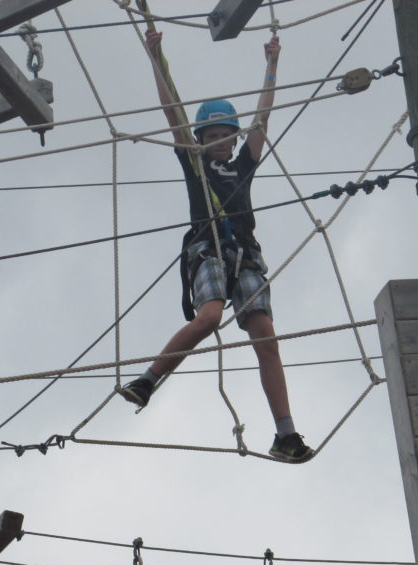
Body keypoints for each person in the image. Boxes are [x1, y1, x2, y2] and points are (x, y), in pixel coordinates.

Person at [119, 29, 314, 463]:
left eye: (228, 135)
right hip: (209, 249)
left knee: (265, 337)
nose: (224, 142)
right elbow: (173, 114)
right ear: (203, 139)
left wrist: (272, 66)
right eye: (215, 136)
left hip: (245, 254)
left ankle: (285, 433)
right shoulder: (194, 165)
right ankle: (149, 379)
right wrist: (156, 60)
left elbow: (263, 118)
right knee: (208, 317)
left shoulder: (243, 166)